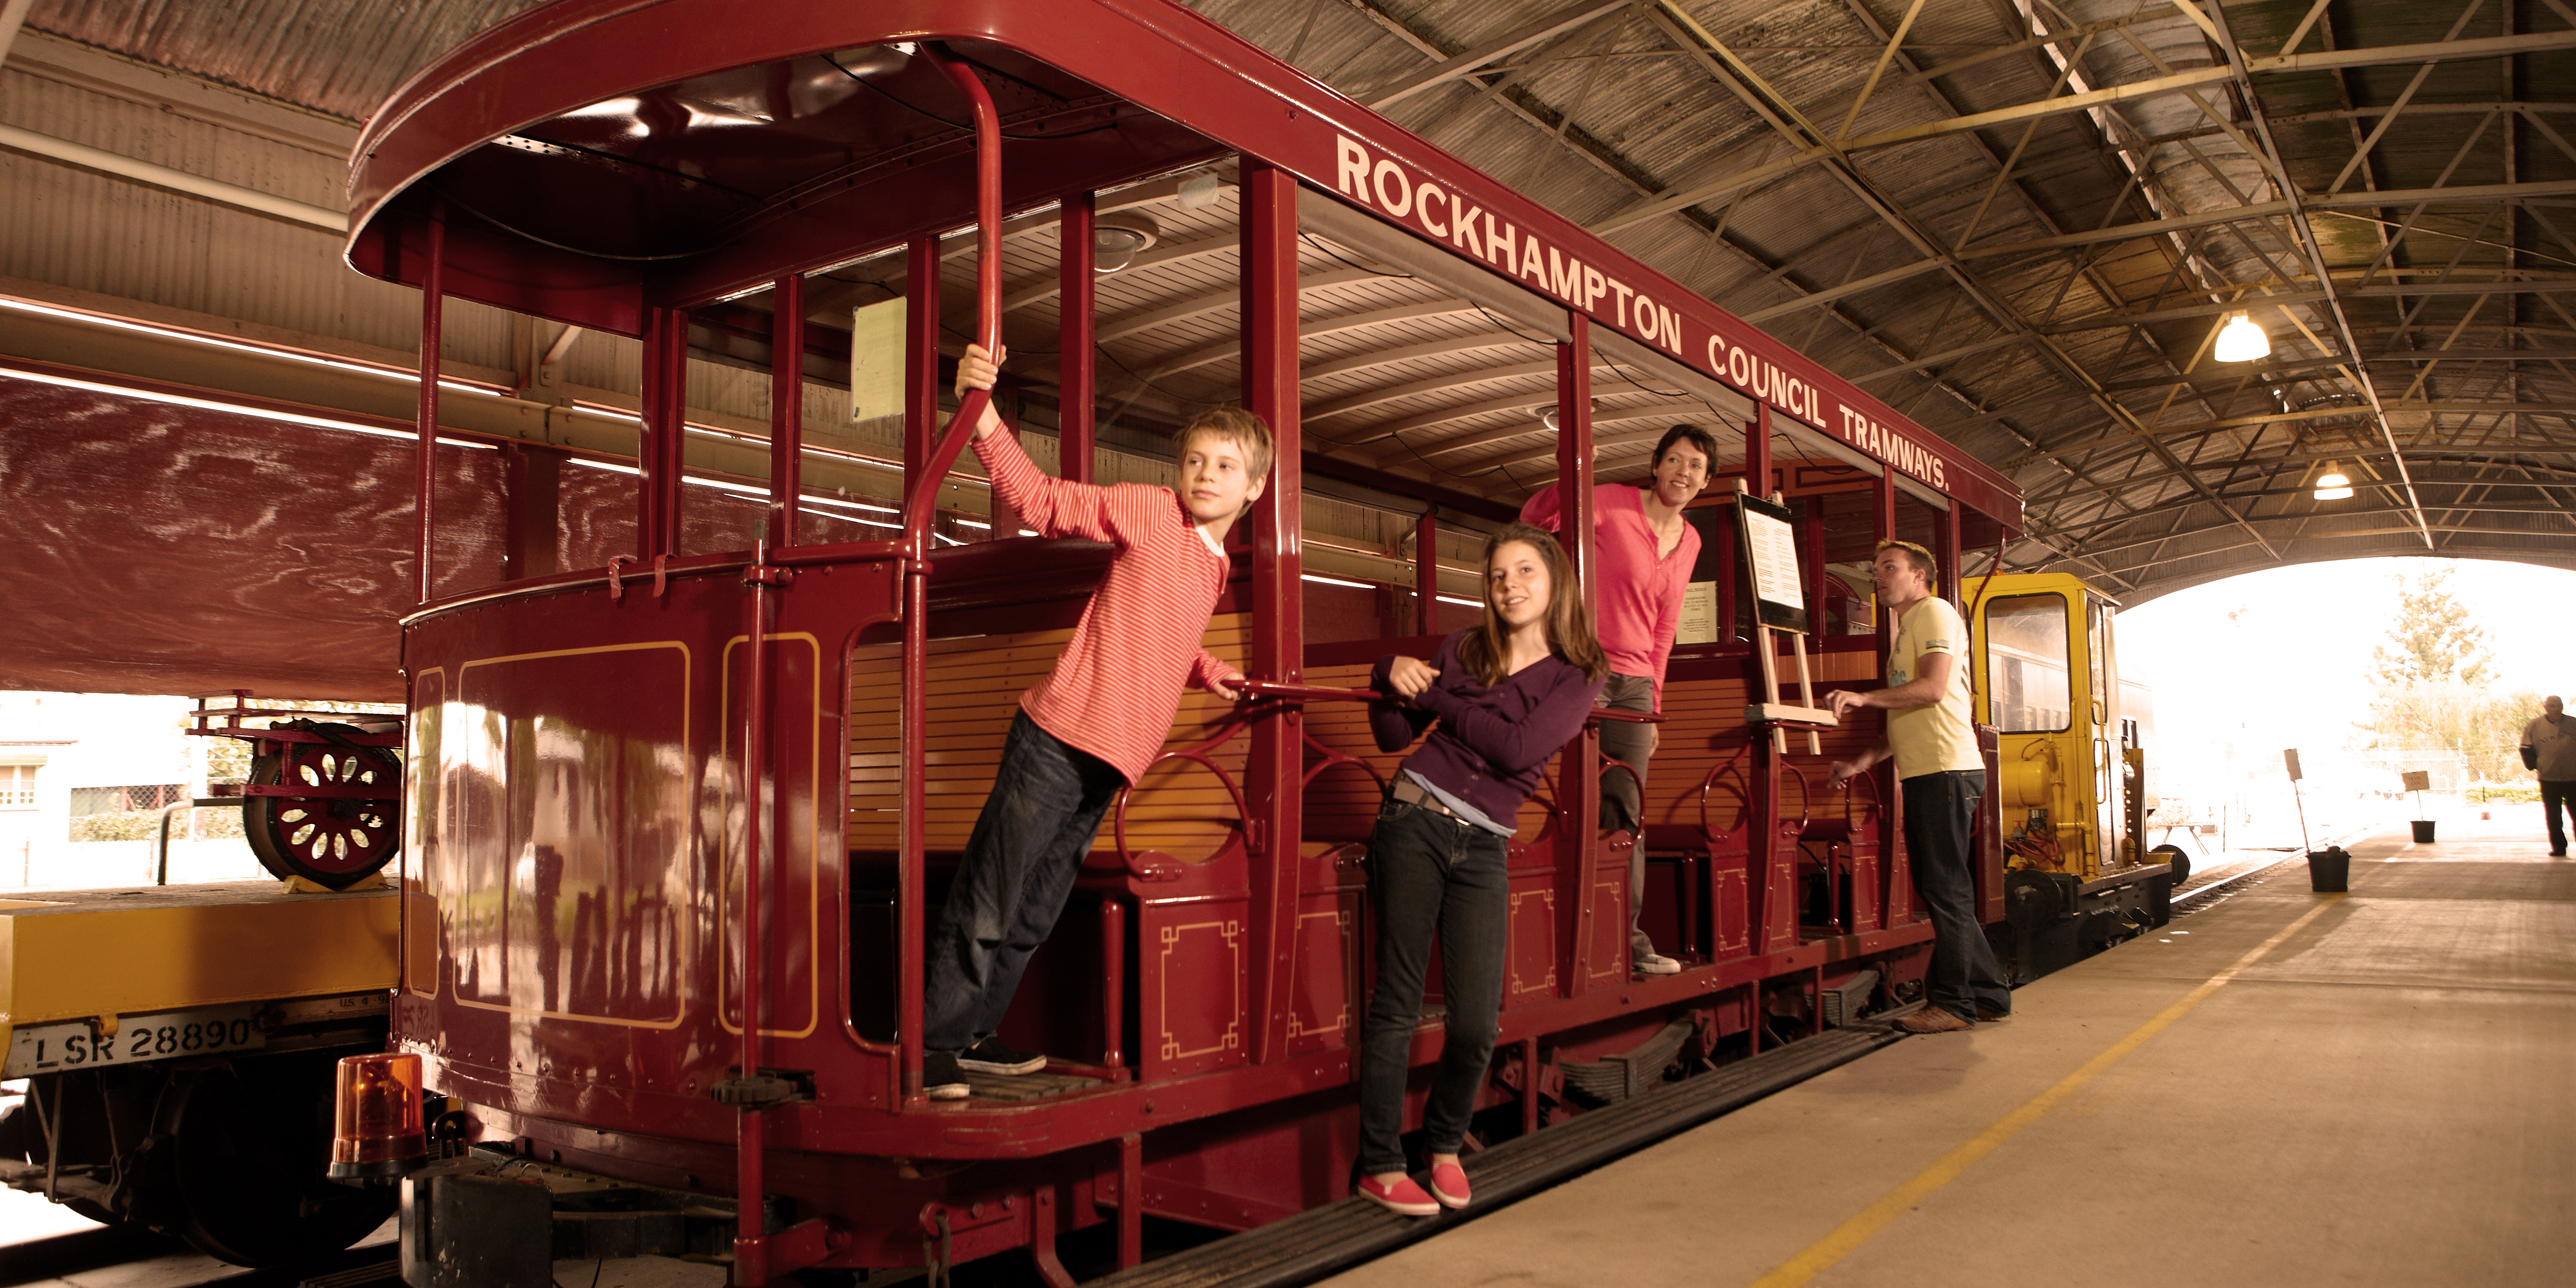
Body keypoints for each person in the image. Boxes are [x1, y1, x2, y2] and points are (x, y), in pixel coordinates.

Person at [920, 343, 1269, 1099]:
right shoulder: (1152, 509)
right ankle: (933, 1043)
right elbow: (1042, 500)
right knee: (993, 891)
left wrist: (1211, 670)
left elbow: (1165, 633)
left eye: (1224, 465)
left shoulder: (1214, 567)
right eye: (1197, 460)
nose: (1206, 475)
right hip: (1058, 737)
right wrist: (982, 414)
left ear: (1255, 487)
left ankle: (976, 1033)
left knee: (1034, 910)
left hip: (1111, 761)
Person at [1355, 524, 1608, 1216]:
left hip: (1485, 844)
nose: (1511, 586)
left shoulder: (1580, 670)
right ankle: (1379, 1164)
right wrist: (1388, 673)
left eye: (1525, 571)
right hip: (1412, 820)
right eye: (1498, 576)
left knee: (1477, 1021)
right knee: (1397, 1004)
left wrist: (1437, 699)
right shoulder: (1464, 649)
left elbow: (1518, 745)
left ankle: (1441, 1147)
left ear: (1554, 580)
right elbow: (1394, 738)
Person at [1518, 424, 1715, 976]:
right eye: (1674, 460)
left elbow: (1666, 625)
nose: (1683, 472)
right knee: (1562, 792)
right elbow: (1536, 520)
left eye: (1695, 466)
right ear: (1655, 466)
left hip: (1635, 685)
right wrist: (1574, 474)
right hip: (1582, 668)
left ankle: (1624, 940)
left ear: (1706, 482)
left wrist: (1654, 700)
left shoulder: (1691, 540)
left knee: (1626, 810)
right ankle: (1551, 927)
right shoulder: (1609, 502)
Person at [1822, 541, 2009, 1034]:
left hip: (1945, 770)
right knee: (1945, 888)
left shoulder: (1934, 614)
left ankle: (1952, 1005)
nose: (1878, 576)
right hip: (1930, 771)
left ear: (1919, 575)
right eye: (1875, 568)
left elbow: (1932, 689)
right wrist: (1860, 762)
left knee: (1945, 890)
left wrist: (1862, 697)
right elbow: (1908, 715)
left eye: (1889, 568)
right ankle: (1988, 994)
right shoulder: (1908, 627)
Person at [2522, 695, 2574, 857]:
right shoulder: (2535, 726)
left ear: (2563, 706)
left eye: (2559, 705)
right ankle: (2559, 848)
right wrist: (2536, 765)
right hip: (2549, 778)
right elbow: (2525, 747)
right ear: (2546, 708)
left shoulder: (2574, 723)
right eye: (2552, 706)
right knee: (2553, 815)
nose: (2556, 709)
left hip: (2573, 778)